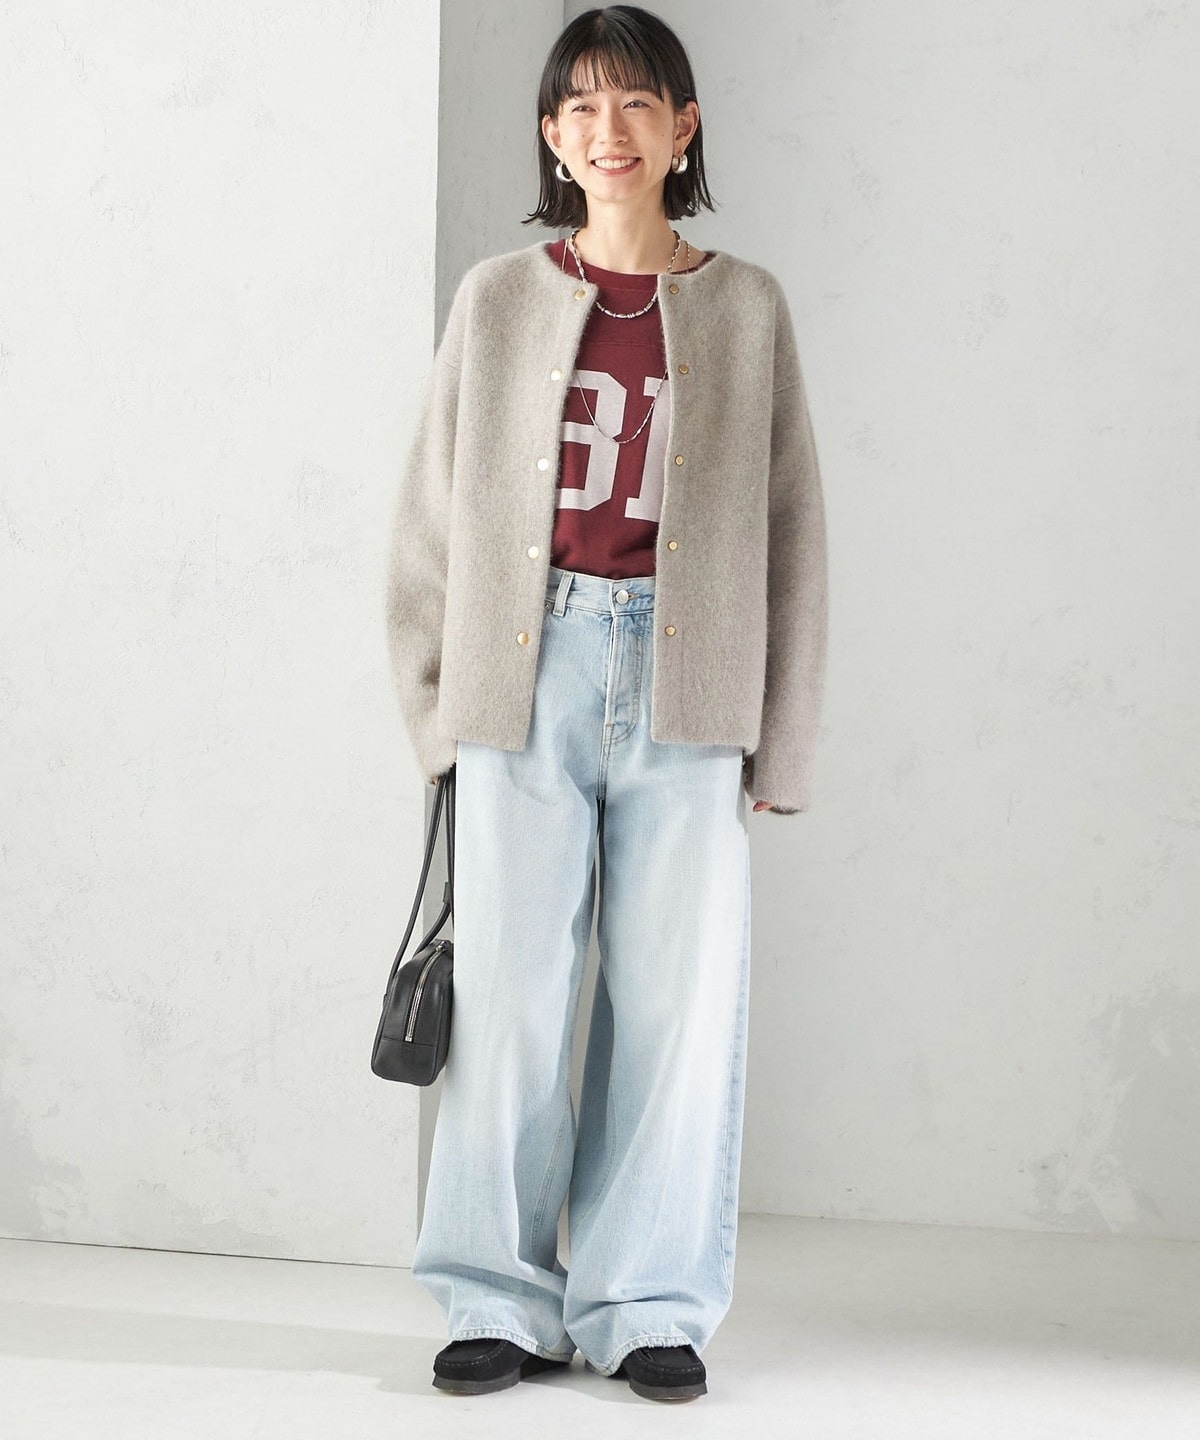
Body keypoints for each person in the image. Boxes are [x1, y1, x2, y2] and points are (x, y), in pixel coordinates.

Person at [384, 3, 829, 1404]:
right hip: (526, 672)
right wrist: (438, 707)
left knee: (675, 1005)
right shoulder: (498, 298)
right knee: (511, 1000)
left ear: (683, 129)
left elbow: (793, 530)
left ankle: (647, 1303)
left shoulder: (746, 307)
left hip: (692, 681)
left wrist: (783, 735)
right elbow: (432, 515)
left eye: (637, 103)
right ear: (551, 135)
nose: (608, 129)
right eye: (580, 106)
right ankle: (494, 1295)